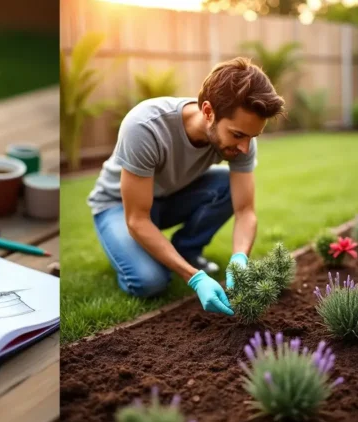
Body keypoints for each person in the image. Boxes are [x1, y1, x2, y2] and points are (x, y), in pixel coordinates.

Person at [87, 57, 285, 316]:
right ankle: (140, 260)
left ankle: (186, 251)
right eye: (237, 135)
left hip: (171, 197)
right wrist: (194, 278)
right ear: (208, 111)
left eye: (252, 137)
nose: (245, 148)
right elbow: (137, 219)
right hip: (118, 206)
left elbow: (245, 209)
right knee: (150, 281)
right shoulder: (145, 126)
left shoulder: (242, 137)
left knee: (226, 186)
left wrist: (240, 259)